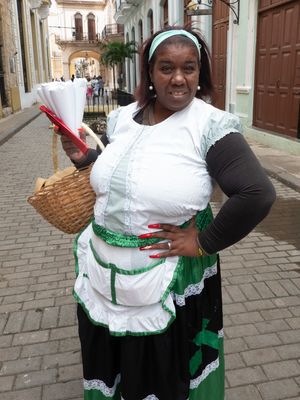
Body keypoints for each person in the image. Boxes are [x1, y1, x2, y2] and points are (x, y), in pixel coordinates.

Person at [59, 26, 276, 400]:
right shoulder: (123, 118)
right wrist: (87, 160)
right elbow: (126, 176)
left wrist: (204, 242)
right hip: (103, 270)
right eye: (166, 68)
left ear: (199, 74)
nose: (178, 78)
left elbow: (257, 193)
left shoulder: (209, 125)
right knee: (115, 364)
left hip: (164, 279)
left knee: (160, 376)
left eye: (189, 68)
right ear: (150, 74)